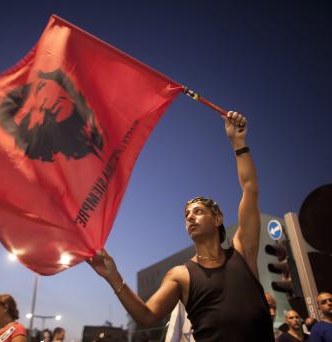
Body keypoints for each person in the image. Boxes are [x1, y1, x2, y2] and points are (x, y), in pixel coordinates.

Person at [89, 111, 274, 341]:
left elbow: (250, 188)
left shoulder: (243, 251)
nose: (190, 218)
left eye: (198, 212)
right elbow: (147, 316)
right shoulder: (180, 275)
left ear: (217, 219)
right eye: (186, 215)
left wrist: (238, 142)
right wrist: (113, 277)